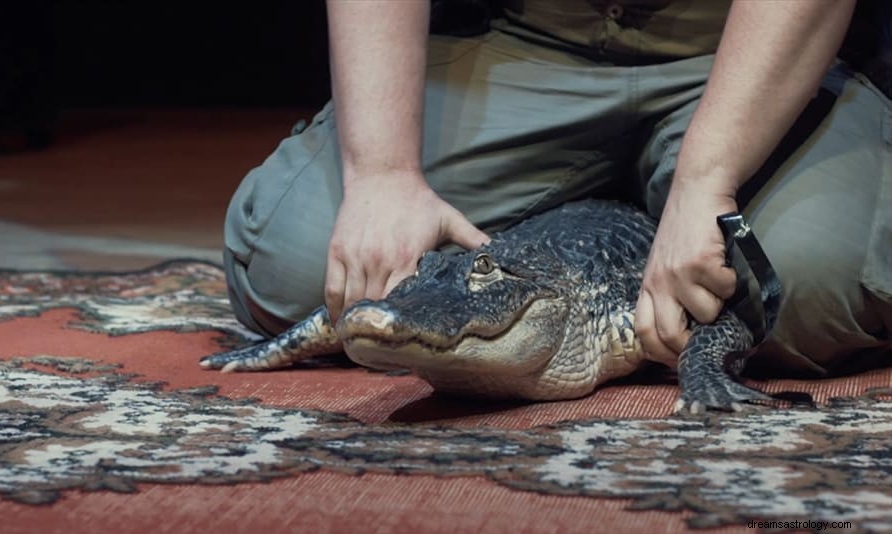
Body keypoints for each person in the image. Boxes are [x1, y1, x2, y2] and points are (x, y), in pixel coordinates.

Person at [224, 0, 890, 375]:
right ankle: (582, 238)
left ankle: (632, 225)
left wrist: (705, 180)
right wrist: (382, 171)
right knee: (301, 265)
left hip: (745, 45)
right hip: (526, 36)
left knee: (808, 287)